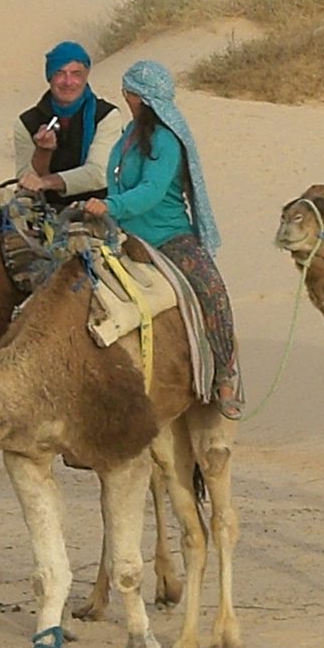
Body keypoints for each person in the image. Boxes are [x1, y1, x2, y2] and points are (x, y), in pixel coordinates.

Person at [84, 60, 243, 415]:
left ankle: (225, 378)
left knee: (213, 292)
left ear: (139, 97)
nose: (125, 97)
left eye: (129, 92)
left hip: (169, 237)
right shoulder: (127, 136)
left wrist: (110, 205)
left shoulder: (166, 141)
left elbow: (151, 191)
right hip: (123, 235)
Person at [17, 41, 116, 204]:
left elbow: (99, 174)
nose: (68, 82)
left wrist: (47, 182)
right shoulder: (27, 122)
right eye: (60, 73)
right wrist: (43, 151)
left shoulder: (106, 116)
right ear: (50, 77)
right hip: (43, 210)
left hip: (97, 207)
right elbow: (26, 181)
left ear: (86, 76)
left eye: (76, 74)